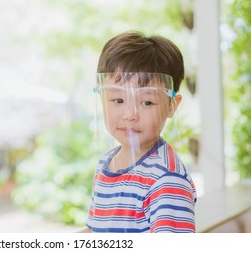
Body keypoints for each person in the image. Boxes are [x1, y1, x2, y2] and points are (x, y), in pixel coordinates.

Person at [80, 30, 197, 233]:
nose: (130, 115)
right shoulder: (105, 164)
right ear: (102, 99)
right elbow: (95, 232)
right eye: (117, 100)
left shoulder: (166, 179)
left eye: (147, 102)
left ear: (172, 106)